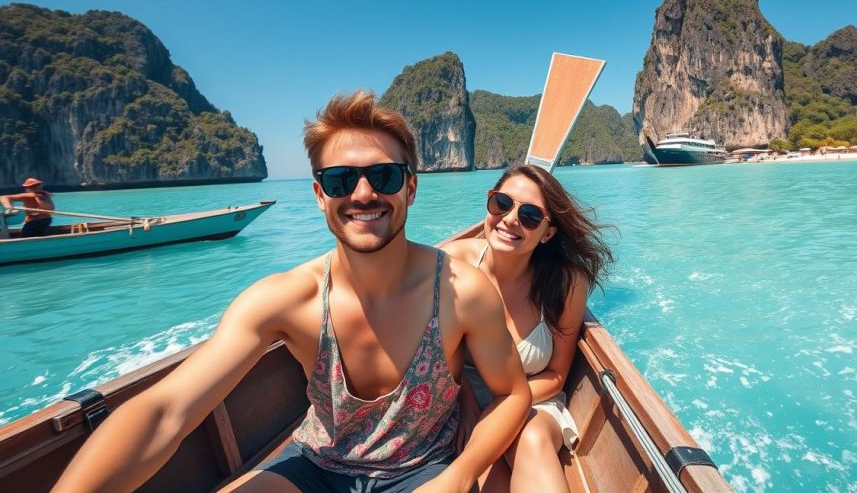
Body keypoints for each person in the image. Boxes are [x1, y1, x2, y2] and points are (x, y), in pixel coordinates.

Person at [53, 91, 531, 493]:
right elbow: (165, 412)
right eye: (341, 179)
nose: (363, 193)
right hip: (318, 464)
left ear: (410, 188)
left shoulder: (463, 292)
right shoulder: (283, 299)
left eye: (383, 176)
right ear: (320, 194)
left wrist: (460, 474)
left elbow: (513, 394)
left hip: (422, 469)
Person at [442, 165, 613, 493]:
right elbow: (439, 355)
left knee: (531, 436)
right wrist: (467, 403)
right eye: (502, 203)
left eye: (531, 215)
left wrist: (502, 405)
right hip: (462, 407)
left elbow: (556, 375)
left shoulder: (567, 284)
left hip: (536, 400)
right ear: (489, 205)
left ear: (547, 232)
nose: (510, 219)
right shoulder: (453, 264)